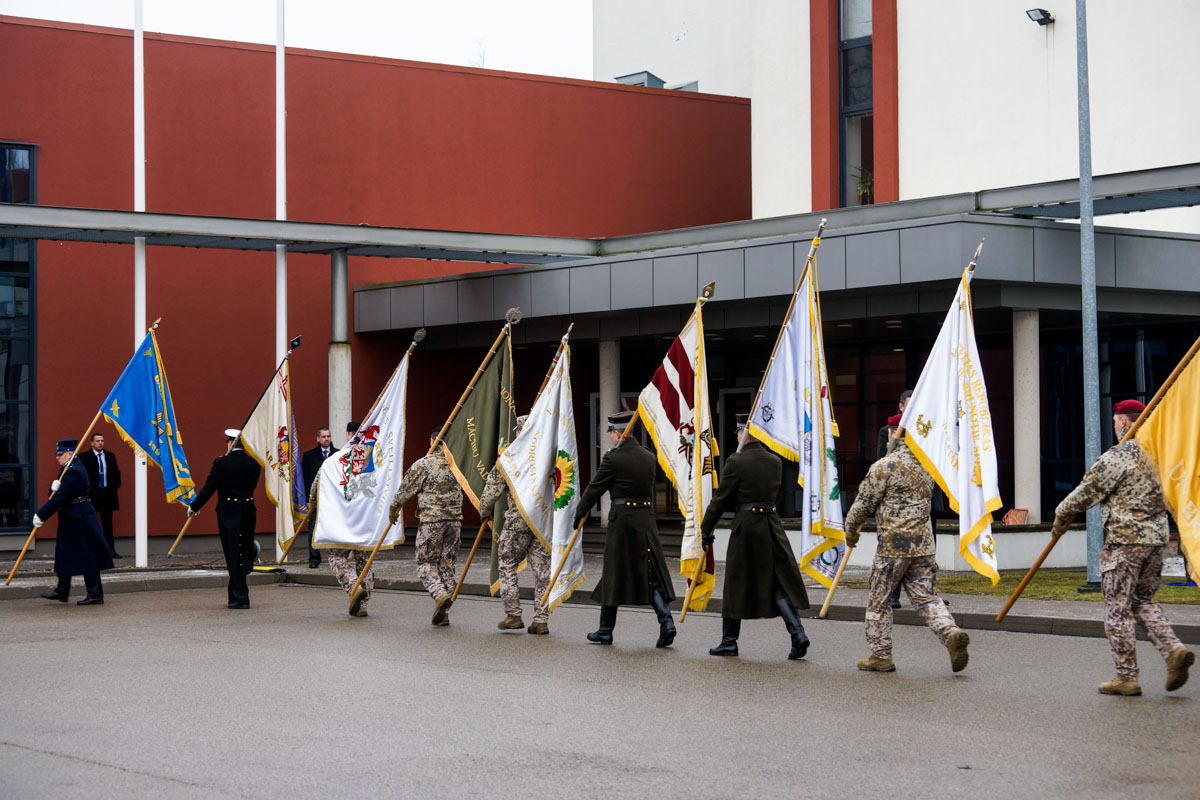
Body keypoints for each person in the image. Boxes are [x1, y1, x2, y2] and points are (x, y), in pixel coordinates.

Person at [1052, 399, 1194, 696]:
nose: (1115, 427)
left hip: (1125, 543)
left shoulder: (1118, 456)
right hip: (1157, 541)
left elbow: (1086, 492)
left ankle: (1126, 676)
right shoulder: (1163, 455)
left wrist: (1060, 514)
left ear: (1125, 423)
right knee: (1143, 601)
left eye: (1116, 421)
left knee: (1117, 608)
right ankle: (1174, 650)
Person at [843, 426, 970, 673]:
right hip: (923, 545)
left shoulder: (884, 466)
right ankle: (951, 633)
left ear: (897, 436)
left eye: (892, 431)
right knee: (927, 598)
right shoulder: (928, 467)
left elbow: (863, 504)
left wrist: (850, 531)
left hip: (892, 546)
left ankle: (881, 655)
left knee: (879, 601)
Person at [700, 416, 810, 659]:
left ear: (744, 433)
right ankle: (798, 633)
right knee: (777, 582)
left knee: (735, 583)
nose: (736, 437)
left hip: (746, 528)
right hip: (771, 526)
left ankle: (729, 642)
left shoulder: (736, 462)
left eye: (738, 433)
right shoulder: (774, 461)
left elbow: (720, 500)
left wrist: (705, 529)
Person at [573, 410, 677, 648]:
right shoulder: (649, 456)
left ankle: (605, 630)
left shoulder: (613, 458)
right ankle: (666, 621)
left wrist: (579, 512)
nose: (610, 437)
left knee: (614, 573)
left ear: (618, 433)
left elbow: (594, 488)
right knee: (652, 574)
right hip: (646, 521)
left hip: (622, 522)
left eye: (611, 433)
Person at [479, 415, 550, 635]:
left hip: (517, 522)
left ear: (520, 432)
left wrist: (484, 512)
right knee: (542, 572)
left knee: (507, 564)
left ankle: (513, 614)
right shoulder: (548, 457)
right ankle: (541, 620)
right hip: (541, 522)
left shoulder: (510, 458)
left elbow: (491, 491)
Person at [389, 426, 463, 626]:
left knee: (426, 564)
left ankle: (439, 595)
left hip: (432, 521)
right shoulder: (457, 464)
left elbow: (406, 489)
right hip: (455, 522)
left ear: (432, 440)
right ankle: (444, 612)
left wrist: (393, 509)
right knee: (447, 565)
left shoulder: (424, 464)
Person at [189, 429, 262, 609]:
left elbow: (209, 488)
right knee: (242, 551)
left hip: (229, 513)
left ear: (230, 443)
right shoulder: (254, 464)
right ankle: (234, 596)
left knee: (233, 554)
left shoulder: (221, 463)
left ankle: (241, 598)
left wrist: (194, 506)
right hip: (247, 512)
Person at [35, 439, 114, 605]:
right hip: (71, 516)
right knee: (65, 553)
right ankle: (62, 590)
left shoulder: (74, 471)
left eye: (60, 454)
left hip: (79, 518)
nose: (57, 457)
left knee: (88, 555)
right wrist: (53, 487)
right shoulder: (67, 468)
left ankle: (95, 595)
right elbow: (57, 494)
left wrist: (41, 515)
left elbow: (60, 498)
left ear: (69, 453)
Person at [307, 472, 372, 617]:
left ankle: (353, 586)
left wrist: (313, 503)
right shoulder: (369, 460)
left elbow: (315, 486)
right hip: (363, 519)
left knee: (336, 556)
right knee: (364, 561)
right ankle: (363, 605)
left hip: (340, 519)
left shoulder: (333, 463)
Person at [77, 433, 122, 558]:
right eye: (97, 441)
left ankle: (110, 550)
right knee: (90, 523)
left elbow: (116, 474)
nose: (100, 443)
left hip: (107, 495)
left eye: (102, 440)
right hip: (92, 496)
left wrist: (113, 487)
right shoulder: (84, 457)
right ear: (92, 443)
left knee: (108, 524)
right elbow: (82, 476)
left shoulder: (110, 456)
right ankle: (89, 550)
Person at [301, 427, 338, 568]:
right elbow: (306, 479)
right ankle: (314, 558)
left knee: (334, 529)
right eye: (323, 436)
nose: (326, 439)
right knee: (314, 529)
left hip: (334, 500)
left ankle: (335, 557)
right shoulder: (309, 456)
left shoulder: (337, 454)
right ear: (318, 438)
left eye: (328, 436)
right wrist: (307, 500)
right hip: (316, 500)